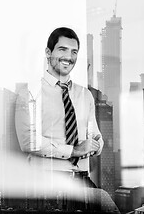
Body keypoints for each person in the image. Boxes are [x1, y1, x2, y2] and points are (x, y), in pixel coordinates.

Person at [15, 27, 104, 187]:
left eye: (74, 52)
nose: (69, 57)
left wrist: (97, 143)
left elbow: (94, 134)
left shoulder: (85, 95)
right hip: (46, 183)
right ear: (48, 52)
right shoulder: (30, 93)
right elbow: (29, 142)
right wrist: (74, 151)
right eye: (63, 49)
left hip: (82, 180)